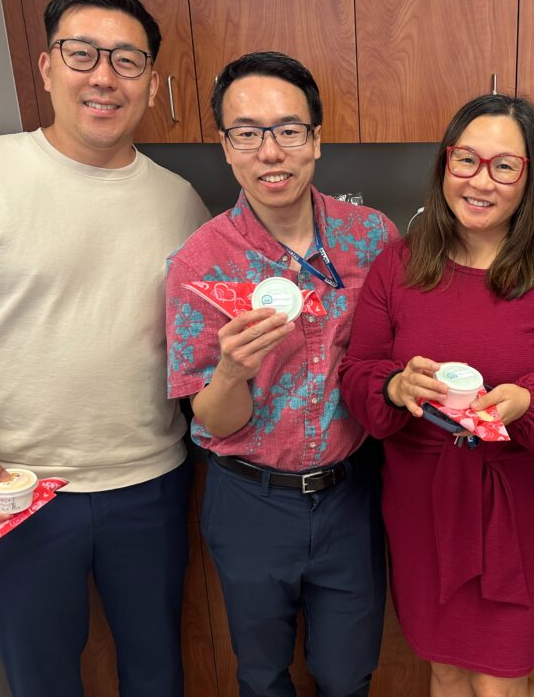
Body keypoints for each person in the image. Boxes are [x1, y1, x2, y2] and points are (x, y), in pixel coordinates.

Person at [0, 0, 209, 696]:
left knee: (157, 674)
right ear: (47, 67)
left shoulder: (181, 203)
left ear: (152, 83)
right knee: (38, 681)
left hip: (150, 484)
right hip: (12, 489)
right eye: (82, 53)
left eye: (127, 60)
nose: (104, 76)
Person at [339, 93, 534, 697]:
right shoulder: (398, 266)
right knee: (444, 668)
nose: (481, 181)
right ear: (445, 164)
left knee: (500, 680)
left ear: (527, 179)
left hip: (518, 505)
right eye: (467, 160)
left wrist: (529, 402)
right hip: (422, 504)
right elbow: (358, 372)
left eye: (504, 166)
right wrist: (393, 385)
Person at [165, 50, 398, 697]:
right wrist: (232, 371)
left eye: (289, 130)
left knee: (347, 675)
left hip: (350, 493)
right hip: (250, 500)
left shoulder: (371, 239)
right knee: (262, 676)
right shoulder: (200, 263)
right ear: (226, 147)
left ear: (315, 140)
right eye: (247, 133)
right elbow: (213, 420)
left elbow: (394, 356)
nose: (271, 152)